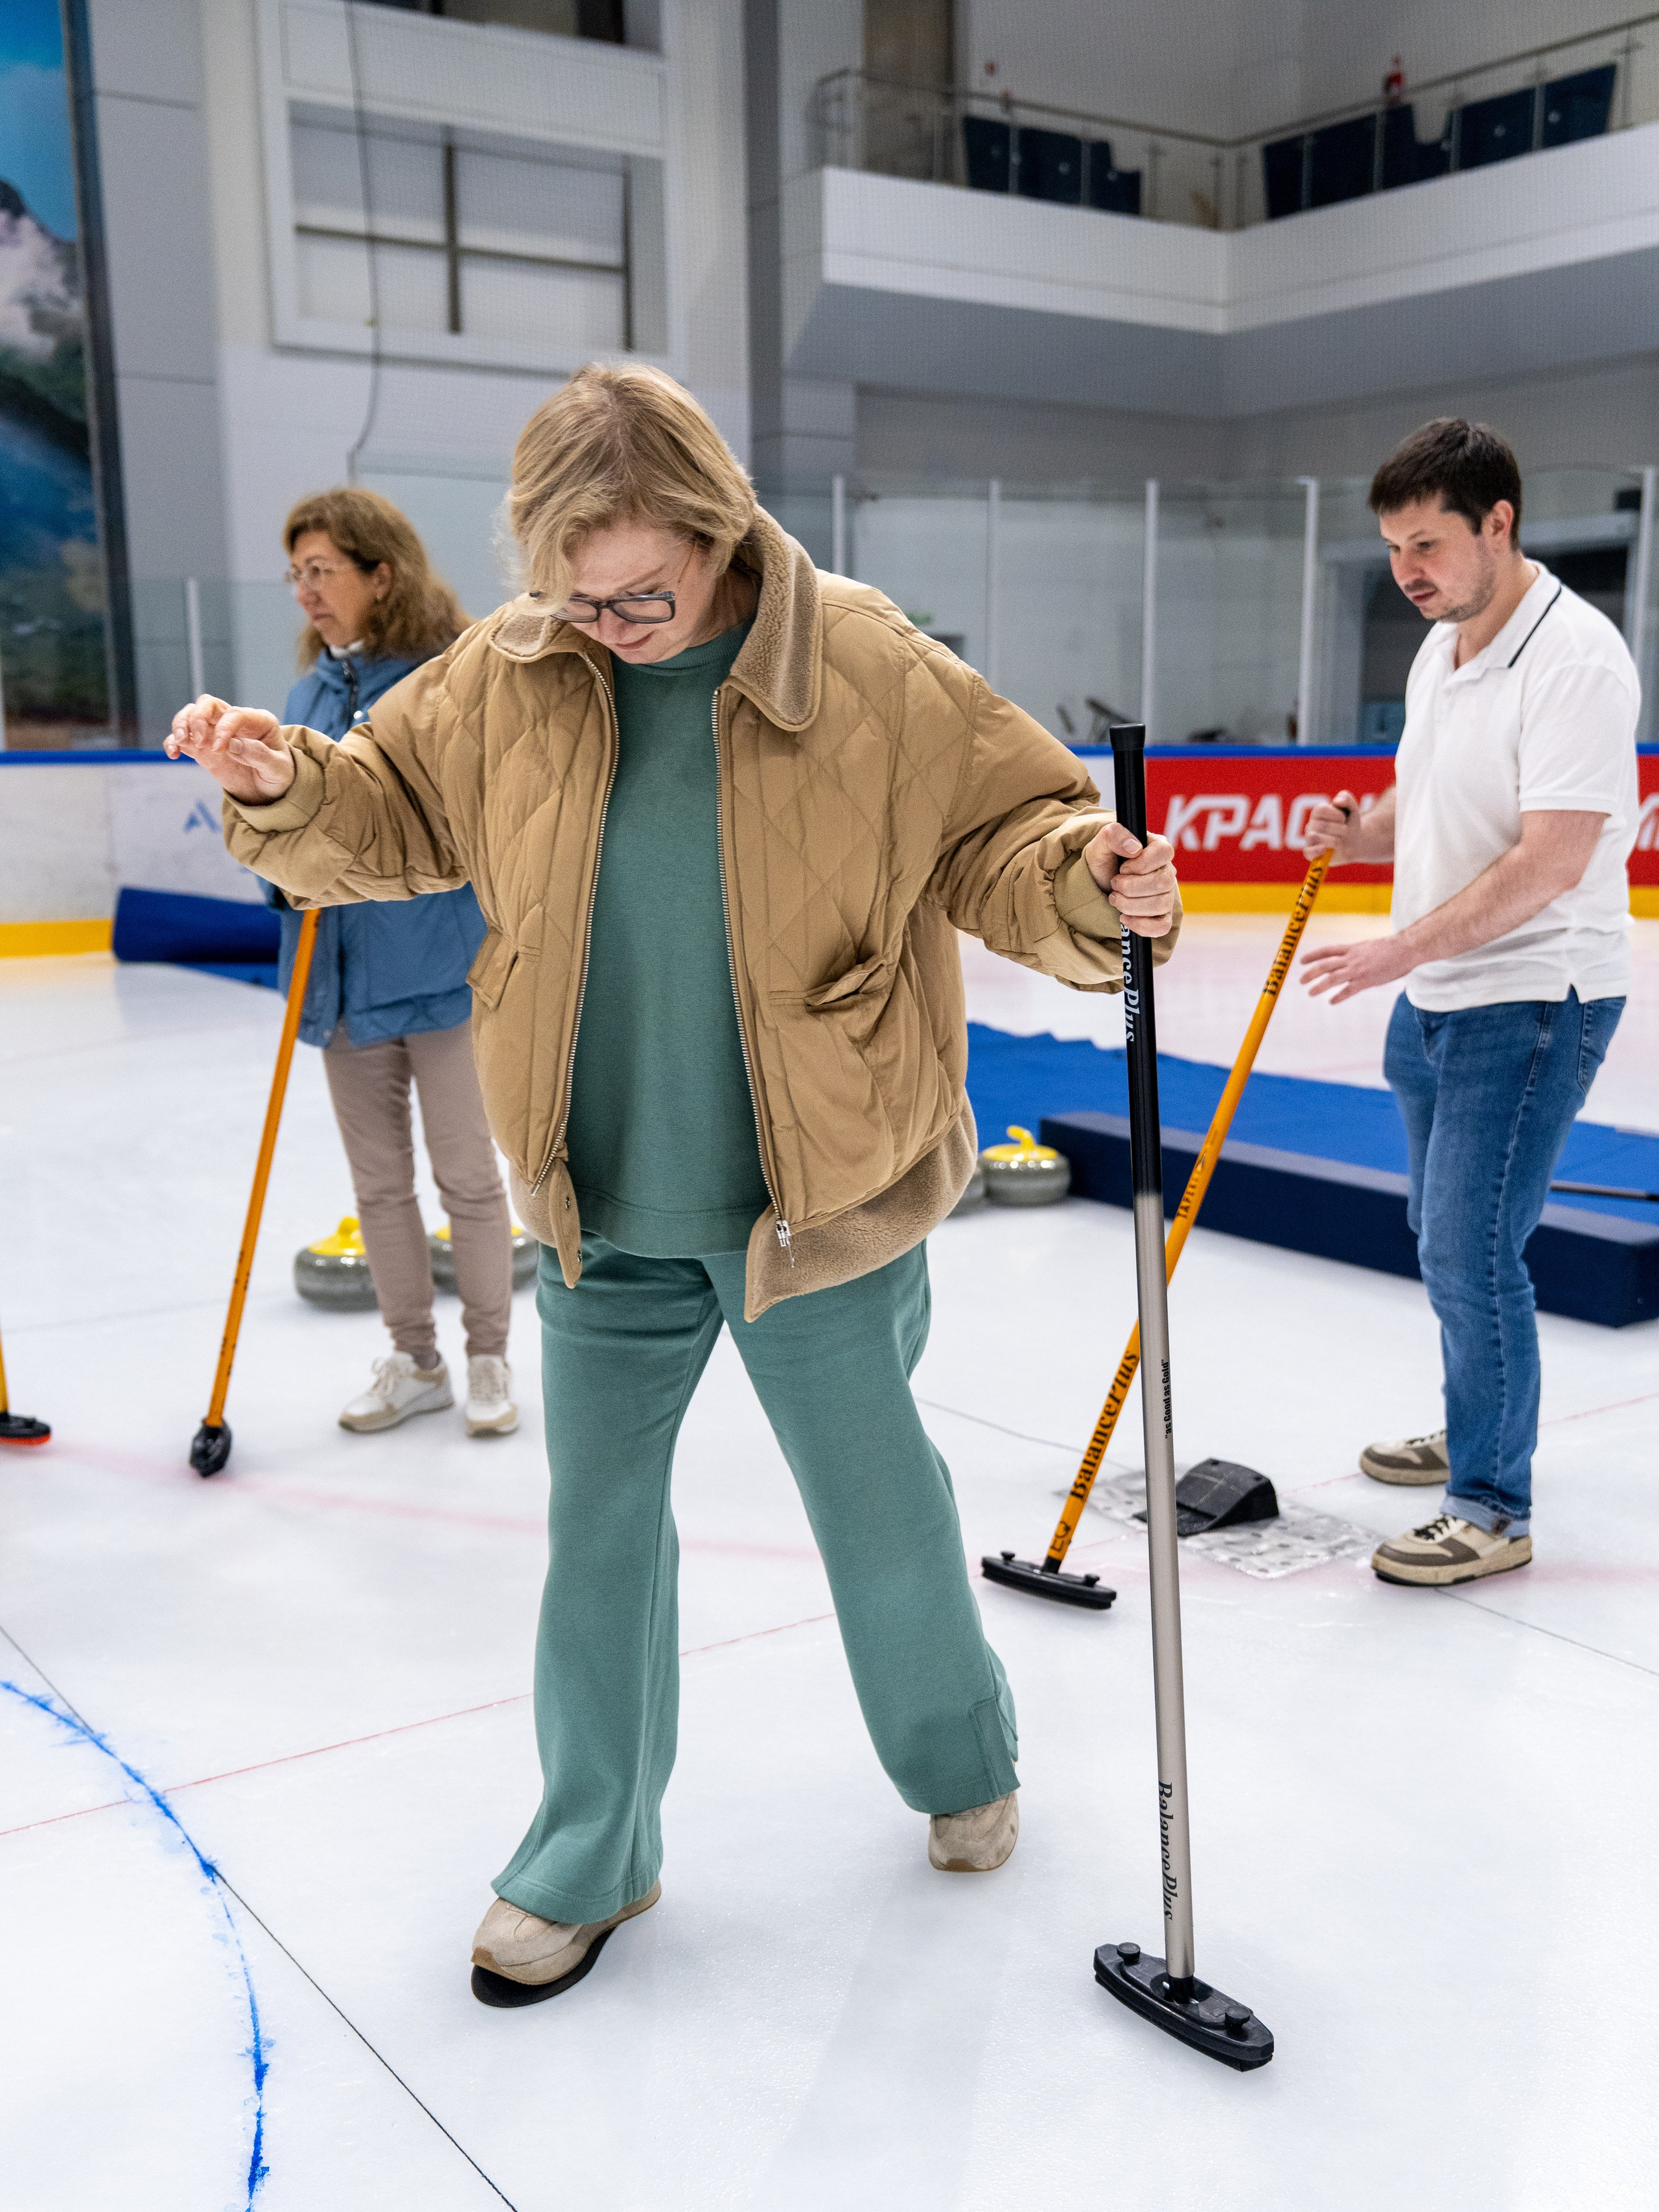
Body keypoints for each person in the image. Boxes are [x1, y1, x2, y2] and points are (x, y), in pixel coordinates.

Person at [168, 364, 1180, 2004]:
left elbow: (1008, 832)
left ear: (718, 534)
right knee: (598, 1533)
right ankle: (590, 1851)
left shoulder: (862, 658)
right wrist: (281, 784)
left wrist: (1087, 881)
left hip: (820, 1192)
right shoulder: (511, 669)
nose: (613, 625)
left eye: (644, 593)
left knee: (877, 1514)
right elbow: (386, 809)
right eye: (579, 597)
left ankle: (958, 1757)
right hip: (598, 1190)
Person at [1301, 418, 1639, 1588]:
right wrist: (1362, 835)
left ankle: (1492, 1504)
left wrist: (1398, 947)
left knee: (1472, 1248)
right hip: (1441, 991)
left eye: (1429, 544)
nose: (1408, 570)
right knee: (1446, 1240)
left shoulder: (1576, 658)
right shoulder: (1441, 649)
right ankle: (1477, 1421)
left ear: (1500, 523)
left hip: (1536, 996)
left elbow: (1551, 860)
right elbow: (1429, 798)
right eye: (1395, 547)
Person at [274, 489, 517, 1439]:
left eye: (322, 570)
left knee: (469, 1177)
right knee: (378, 1187)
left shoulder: (448, 682)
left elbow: (478, 826)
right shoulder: (307, 695)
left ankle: (489, 1355)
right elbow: (281, 833)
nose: (306, 591)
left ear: (382, 574)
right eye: (296, 574)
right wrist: (278, 871)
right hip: (341, 987)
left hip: (442, 975)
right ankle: (415, 1359)